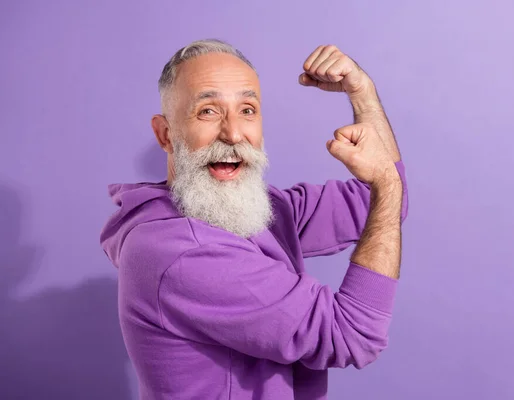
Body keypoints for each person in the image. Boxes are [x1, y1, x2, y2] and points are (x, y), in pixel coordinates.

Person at [100, 39, 409, 400]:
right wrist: (386, 182)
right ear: (166, 134)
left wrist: (362, 93)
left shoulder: (251, 209)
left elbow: (382, 204)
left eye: (247, 110)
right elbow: (354, 334)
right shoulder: (180, 254)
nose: (233, 134)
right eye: (208, 111)